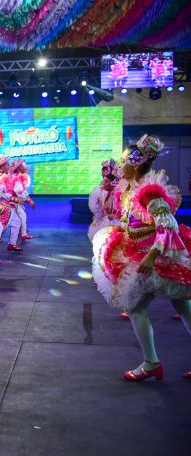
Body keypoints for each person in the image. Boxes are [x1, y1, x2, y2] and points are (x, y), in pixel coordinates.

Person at [91, 135, 191, 381]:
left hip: (154, 259)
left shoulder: (148, 192)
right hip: (146, 255)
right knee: (181, 305)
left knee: (136, 307)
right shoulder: (133, 188)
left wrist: (150, 257)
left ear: (134, 164)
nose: (119, 166)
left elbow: (168, 225)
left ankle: (151, 363)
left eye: (123, 161)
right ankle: (151, 362)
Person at [87, 159, 120, 242]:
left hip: (114, 223)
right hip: (105, 220)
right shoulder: (101, 189)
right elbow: (95, 206)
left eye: (107, 169)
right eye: (103, 170)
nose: (104, 184)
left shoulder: (118, 193)